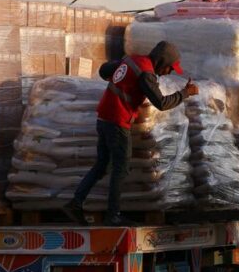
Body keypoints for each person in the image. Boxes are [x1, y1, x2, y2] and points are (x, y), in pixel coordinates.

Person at [62, 41, 197, 226]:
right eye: (169, 69)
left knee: (102, 164)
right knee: (121, 167)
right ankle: (113, 215)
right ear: (161, 61)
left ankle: (75, 203)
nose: (169, 73)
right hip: (117, 121)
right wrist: (185, 93)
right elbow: (162, 103)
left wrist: (123, 77)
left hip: (103, 117)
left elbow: (103, 71)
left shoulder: (132, 60)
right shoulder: (146, 74)